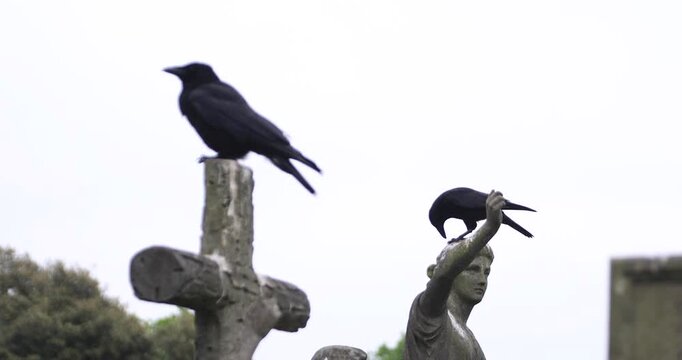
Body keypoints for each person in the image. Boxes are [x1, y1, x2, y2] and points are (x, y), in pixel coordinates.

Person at [404, 190, 505, 360]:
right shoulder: (429, 314)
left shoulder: (470, 339)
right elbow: (444, 274)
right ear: (432, 272)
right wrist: (489, 228)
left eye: (486, 272)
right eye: (472, 269)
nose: (482, 279)